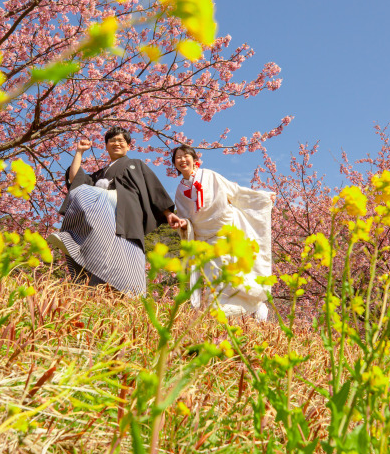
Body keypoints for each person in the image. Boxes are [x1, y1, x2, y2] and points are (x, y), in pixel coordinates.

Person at [49, 127, 185, 295]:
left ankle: (128, 295)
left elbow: (154, 189)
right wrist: (79, 152)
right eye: (112, 141)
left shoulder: (135, 165)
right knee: (81, 196)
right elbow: (75, 180)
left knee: (126, 256)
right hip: (103, 218)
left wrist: (169, 213)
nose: (116, 143)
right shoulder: (100, 174)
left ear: (129, 146)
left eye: (121, 141)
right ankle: (72, 239)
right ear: (106, 146)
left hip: (126, 217)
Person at [172, 145, 274, 320]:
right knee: (215, 283)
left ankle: (253, 307)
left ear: (195, 161)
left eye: (185, 156)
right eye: (178, 157)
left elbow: (236, 193)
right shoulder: (180, 192)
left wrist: (262, 197)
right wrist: (183, 224)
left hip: (225, 233)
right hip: (204, 240)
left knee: (231, 279)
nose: (182, 160)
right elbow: (185, 218)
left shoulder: (210, 176)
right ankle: (236, 315)